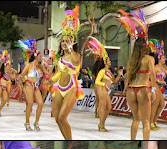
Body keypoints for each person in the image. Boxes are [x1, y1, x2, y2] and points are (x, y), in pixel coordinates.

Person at [117, 9, 157, 140]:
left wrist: (124, 89)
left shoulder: (131, 60)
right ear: (145, 46)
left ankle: (132, 141)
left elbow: (127, 77)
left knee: (135, 120)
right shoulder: (149, 59)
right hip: (143, 90)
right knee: (146, 122)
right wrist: (154, 90)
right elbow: (153, 77)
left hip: (131, 91)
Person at [50, 6, 84, 140]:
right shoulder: (61, 59)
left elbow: (76, 63)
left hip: (71, 88)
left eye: (67, 41)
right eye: (63, 41)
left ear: (72, 42)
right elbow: (58, 74)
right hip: (60, 88)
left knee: (62, 117)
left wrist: (71, 48)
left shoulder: (75, 55)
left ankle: (70, 141)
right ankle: (66, 139)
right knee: (57, 119)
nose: (64, 43)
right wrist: (50, 80)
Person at [87, 36, 123, 132]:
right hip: (101, 89)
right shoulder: (102, 71)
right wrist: (104, 85)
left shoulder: (110, 72)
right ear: (105, 62)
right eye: (109, 60)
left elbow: (114, 82)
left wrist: (119, 75)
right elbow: (97, 81)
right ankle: (101, 125)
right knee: (103, 107)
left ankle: (101, 123)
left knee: (109, 107)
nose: (110, 61)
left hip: (106, 90)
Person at [17, 39, 48, 131]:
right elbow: (21, 75)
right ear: (36, 56)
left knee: (40, 104)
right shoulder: (29, 65)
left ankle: (36, 122)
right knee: (30, 104)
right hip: (28, 85)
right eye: (40, 56)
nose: (41, 58)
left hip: (36, 86)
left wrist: (49, 66)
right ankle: (27, 123)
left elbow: (48, 74)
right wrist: (23, 80)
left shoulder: (40, 66)